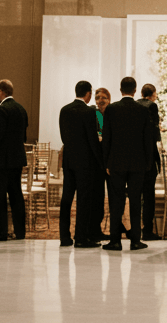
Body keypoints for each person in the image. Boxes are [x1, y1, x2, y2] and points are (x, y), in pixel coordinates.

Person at [101, 76, 152, 250]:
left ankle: (115, 240)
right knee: (136, 201)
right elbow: (147, 139)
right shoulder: (142, 110)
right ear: (135, 90)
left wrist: (106, 161)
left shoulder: (112, 109)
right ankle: (136, 240)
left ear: (120, 90)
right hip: (137, 162)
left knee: (116, 201)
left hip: (116, 162)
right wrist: (147, 162)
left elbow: (106, 137)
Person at [58, 80, 103, 248]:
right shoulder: (89, 112)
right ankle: (81, 237)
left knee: (67, 198)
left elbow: (63, 136)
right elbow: (92, 139)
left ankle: (64, 237)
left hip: (69, 160)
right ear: (88, 94)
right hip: (85, 162)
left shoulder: (65, 110)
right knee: (83, 200)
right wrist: (100, 160)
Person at [0, 79, 28, 243]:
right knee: (16, 194)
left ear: (1, 92)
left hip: (0, 160)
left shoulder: (1, 110)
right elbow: (22, 135)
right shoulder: (21, 109)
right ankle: (20, 231)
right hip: (16, 158)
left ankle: (1, 232)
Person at [136, 83, 162, 241]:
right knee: (148, 196)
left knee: (136, 195)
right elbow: (154, 130)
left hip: (134, 156)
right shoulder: (152, 106)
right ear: (152, 94)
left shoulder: (135, 105)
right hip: (147, 157)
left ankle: (135, 228)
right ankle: (147, 230)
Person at [90, 88, 111, 241]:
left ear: (109, 99)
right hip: (96, 163)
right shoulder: (94, 115)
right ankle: (95, 229)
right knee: (97, 197)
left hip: (111, 161)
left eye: (103, 97)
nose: (100, 100)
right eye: (97, 97)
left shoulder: (113, 114)